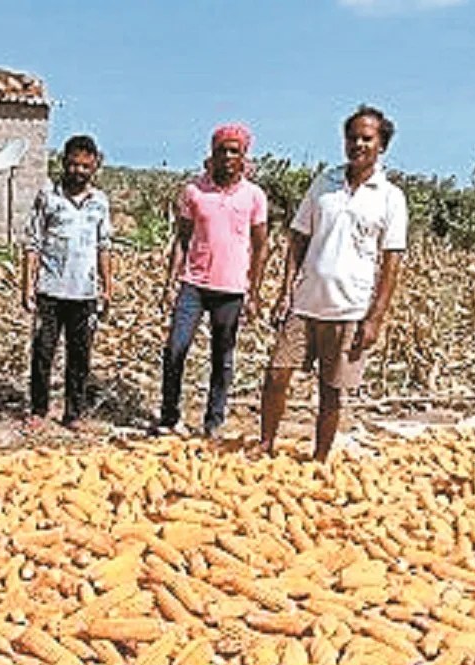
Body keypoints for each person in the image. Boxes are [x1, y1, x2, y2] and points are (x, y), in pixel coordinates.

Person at [259, 105, 407, 461]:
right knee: (277, 374)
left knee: (331, 389)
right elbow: (298, 238)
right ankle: (265, 445)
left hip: (350, 308)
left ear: (381, 145)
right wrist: (284, 292)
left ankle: (320, 458)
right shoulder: (323, 184)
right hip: (305, 301)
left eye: (366, 138)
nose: (358, 144)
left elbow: (392, 262)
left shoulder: (390, 197)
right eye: (352, 137)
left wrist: (375, 318)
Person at [155, 123, 269, 439]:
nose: (228, 156)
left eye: (235, 151)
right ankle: (169, 417)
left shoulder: (254, 196)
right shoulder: (194, 191)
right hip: (194, 283)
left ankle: (213, 421)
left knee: (222, 357)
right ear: (213, 153)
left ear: (244, 156)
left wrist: (255, 290)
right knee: (175, 349)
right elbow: (182, 239)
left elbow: (261, 246)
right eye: (223, 150)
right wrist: (170, 282)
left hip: (231, 288)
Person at [22, 135, 113, 431]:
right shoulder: (48, 197)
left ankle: (74, 414)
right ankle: (38, 410)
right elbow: (33, 243)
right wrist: (27, 286)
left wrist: (107, 287)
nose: (79, 171)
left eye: (85, 166)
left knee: (80, 356)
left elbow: (104, 246)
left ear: (95, 165)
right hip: (49, 290)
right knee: (42, 352)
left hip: (84, 293)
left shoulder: (99, 202)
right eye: (73, 164)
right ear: (64, 162)